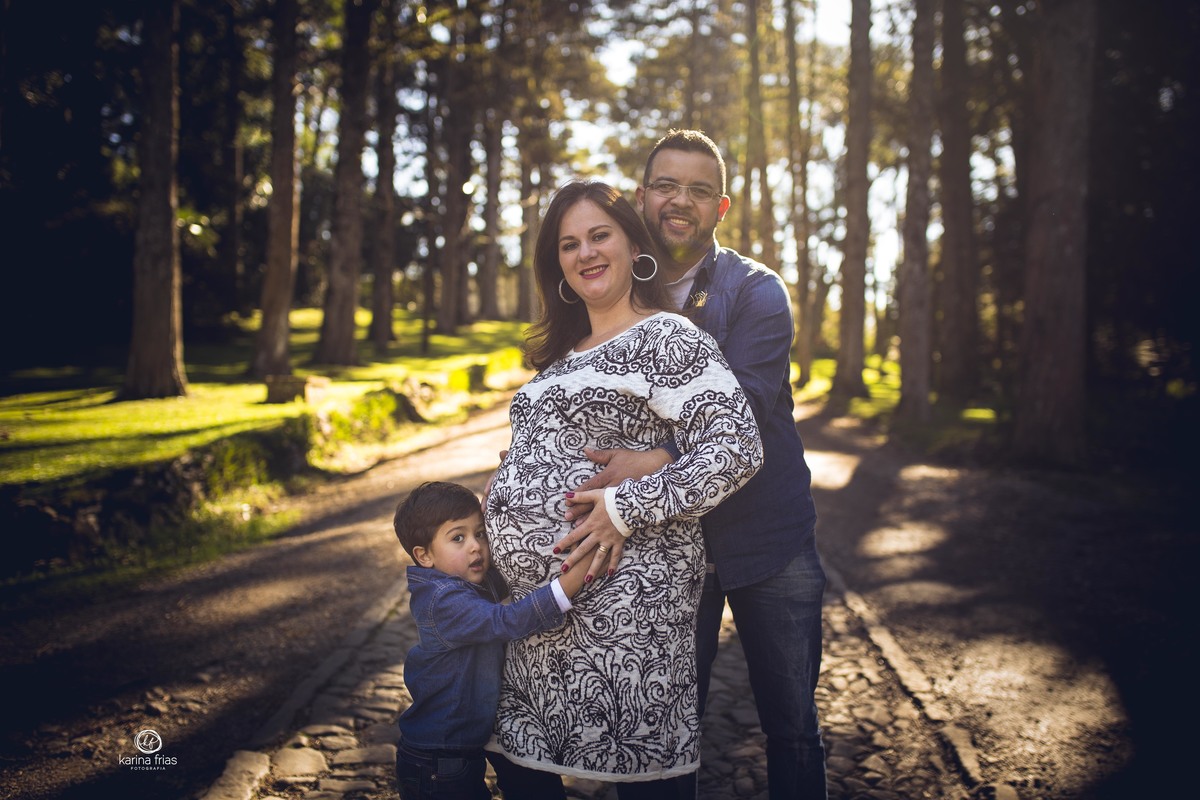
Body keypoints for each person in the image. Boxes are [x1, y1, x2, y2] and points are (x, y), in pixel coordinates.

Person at [558, 130, 828, 798]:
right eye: (666, 185)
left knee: (792, 726)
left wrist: (654, 456)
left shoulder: (757, 292)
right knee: (656, 732)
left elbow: (746, 408)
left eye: (699, 191)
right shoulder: (610, 283)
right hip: (661, 547)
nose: (680, 201)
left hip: (769, 537)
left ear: (722, 207)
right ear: (642, 194)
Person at [482, 179, 763, 798]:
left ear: (633, 243)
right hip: (532, 620)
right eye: (568, 244)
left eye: (599, 235)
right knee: (523, 774)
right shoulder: (557, 360)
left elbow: (737, 447)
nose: (585, 253)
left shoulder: (670, 339)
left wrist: (623, 510)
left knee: (644, 779)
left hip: (625, 619)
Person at [392, 480, 587, 799]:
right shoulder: (443, 600)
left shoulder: (465, 578)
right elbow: (505, 620)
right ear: (424, 555)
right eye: (458, 537)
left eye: (480, 533)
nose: (476, 546)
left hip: (458, 751)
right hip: (435, 759)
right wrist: (566, 587)